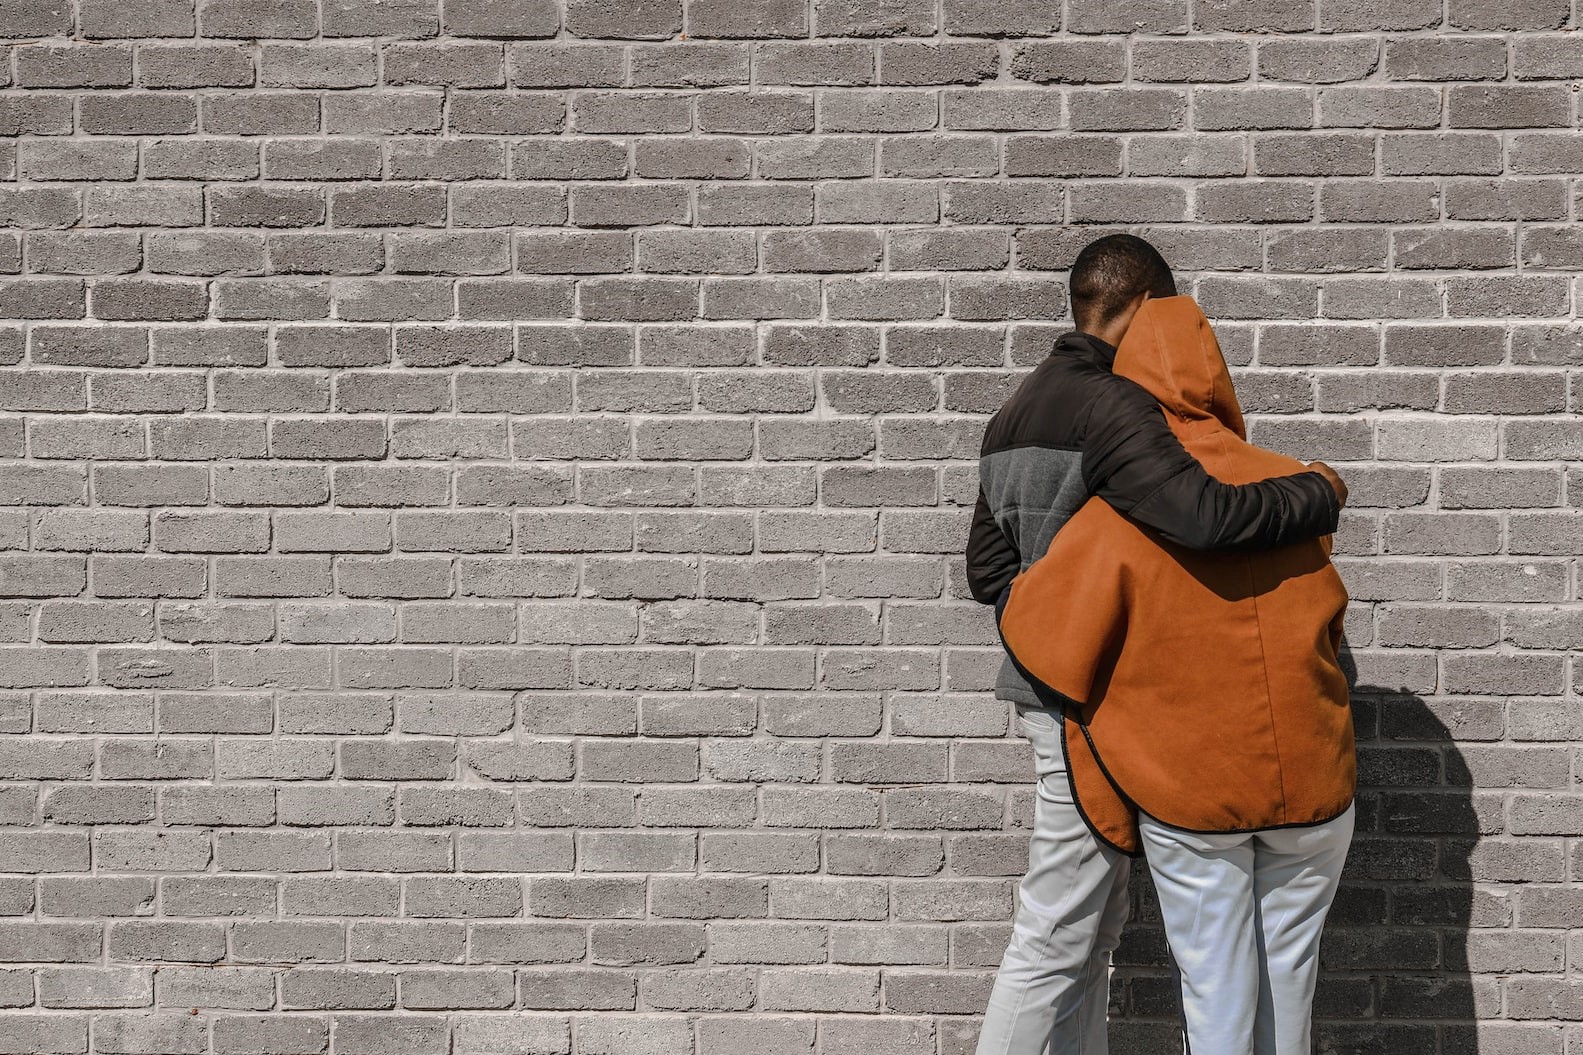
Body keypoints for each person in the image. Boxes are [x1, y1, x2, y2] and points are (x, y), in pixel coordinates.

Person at [966, 233, 1348, 1055]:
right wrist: (1316, 491)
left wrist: (1041, 628)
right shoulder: (1119, 404)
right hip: (1093, 706)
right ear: (1149, 310)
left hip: (1052, 689)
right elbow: (1201, 517)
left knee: (1093, 930)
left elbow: (986, 570)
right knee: (1056, 930)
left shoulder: (1011, 411)